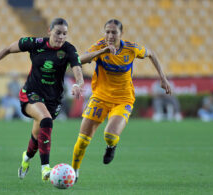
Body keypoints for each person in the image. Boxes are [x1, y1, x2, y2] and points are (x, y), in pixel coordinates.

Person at [0, 18, 84, 181]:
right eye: (58, 32)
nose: (61, 37)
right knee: (46, 120)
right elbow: (7, 49)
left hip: (52, 99)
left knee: (36, 136)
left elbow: (78, 70)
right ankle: (45, 169)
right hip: (31, 93)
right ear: (49, 31)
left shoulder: (69, 50)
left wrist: (78, 84)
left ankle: (26, 158)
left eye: (64, 34)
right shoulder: (35, 43)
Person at [71, 19, 171, 181]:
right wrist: (102, 52)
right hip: (100, 98)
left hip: (123, 100)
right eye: (107, 32)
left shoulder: (131, 49)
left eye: (114, 32)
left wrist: (163, 78)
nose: (110, 35)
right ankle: (74, 172)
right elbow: (78, 60)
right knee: (82, 140)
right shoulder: (99, 46)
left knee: (110, 135)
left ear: (121, 33)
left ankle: (111, 146)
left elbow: (151, 53)